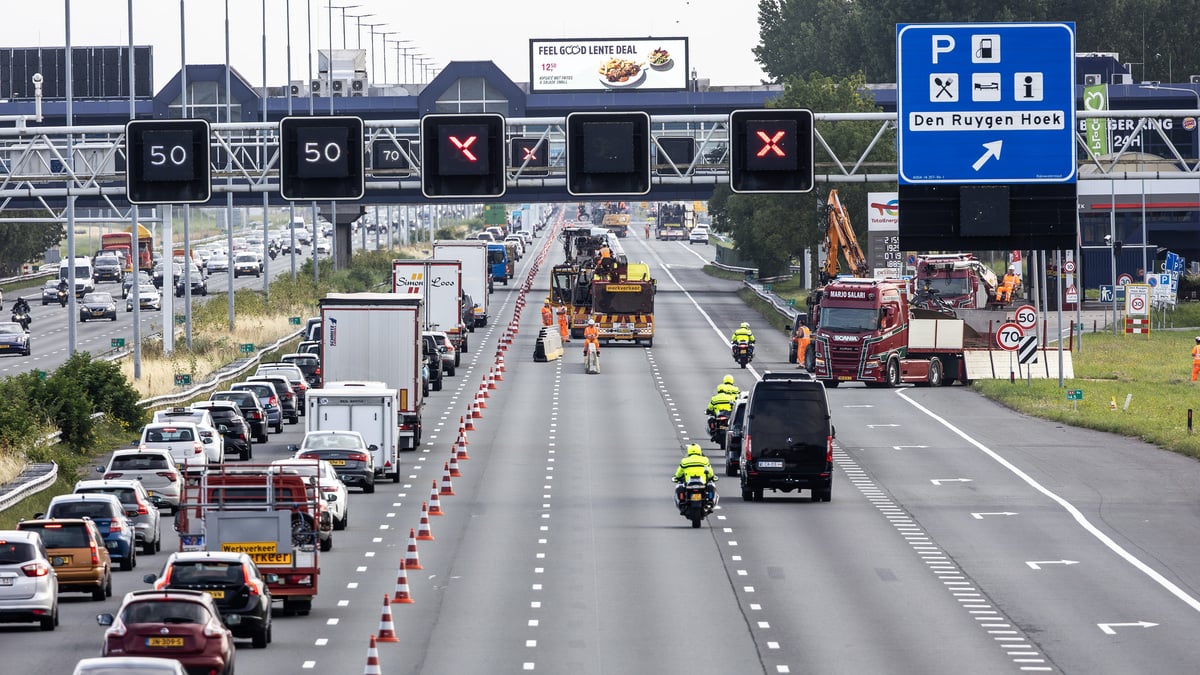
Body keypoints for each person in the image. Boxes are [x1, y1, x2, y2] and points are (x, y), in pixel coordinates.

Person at [673, 444, 717, 511]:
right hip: (702, 483)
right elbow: (710, 471)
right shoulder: (705, 460)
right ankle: (710, 500)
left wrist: (676, 477)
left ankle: (681, 501)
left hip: (689, 483)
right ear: (699, 451)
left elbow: (679, 473)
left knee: (680, 486)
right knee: (711, 485)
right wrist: (712, 477)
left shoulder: (684, 461)